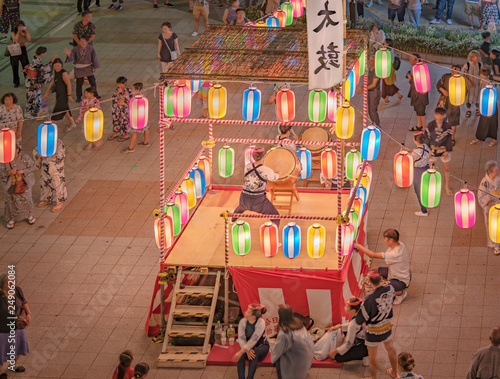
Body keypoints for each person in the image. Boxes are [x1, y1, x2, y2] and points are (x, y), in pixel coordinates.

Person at [354, 270, 398, 379]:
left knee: (372, 356)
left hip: (373, 331)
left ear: (369, 281)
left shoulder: (369, 299)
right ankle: (394, 372)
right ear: (381, 279)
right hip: (386, 325)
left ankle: (374, 378)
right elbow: (393, 299)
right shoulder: (391, 289)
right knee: (390, 348)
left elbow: (360, 319)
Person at [355, 228, 410, 303]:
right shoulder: (400, 244)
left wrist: (358, 246)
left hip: (401, 280)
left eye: (385, 239)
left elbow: (373, 255)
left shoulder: (394, 254)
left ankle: (400, 293)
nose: (384, 240)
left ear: (391, 240)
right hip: (395, 272)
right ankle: (390, 285)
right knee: (376, 270)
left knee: (380, 289)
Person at [232, 147, 281, 226]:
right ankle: (274, 235)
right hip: (259, 202)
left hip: (244, 198)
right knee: (276, 216)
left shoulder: (247, 166)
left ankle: (232, 219)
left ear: (253, 157)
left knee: (241, 207)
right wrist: (278, 174)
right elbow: (274, 178)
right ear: (263, 156)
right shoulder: (266, 170)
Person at [270, 305, 314, 379]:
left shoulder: (285, 332)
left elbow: (277, 350)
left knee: (278, 361)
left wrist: (271, 350)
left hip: (295, 359)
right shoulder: (298, 323)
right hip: (307, 355)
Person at [0, 273, 31, 374]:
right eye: (9, 282)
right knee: (1, 348)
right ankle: (0, 370)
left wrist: (28, 313)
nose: (11, 284)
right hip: (3, 328)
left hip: (17, 326)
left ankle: (13, 364)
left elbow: (23, 302)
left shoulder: (17, 290)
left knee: (19, 345)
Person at [0, 146, 35, 229]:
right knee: (11, 201)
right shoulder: (4, 160)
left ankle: (29, 215)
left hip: (23, 182)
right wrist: (9, 172)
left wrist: (23, 171)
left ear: (17, 149)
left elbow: (33, 166)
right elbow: (1, 173)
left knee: (27, 199)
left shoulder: (24, 157)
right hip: (11, 183)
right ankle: (12, 219)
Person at [232, 304, 269, 379]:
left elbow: (254, 339)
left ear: (253, 317)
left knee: (253, 353)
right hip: (247, 347)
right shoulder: (243, 321)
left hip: (261, 347)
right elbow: (241, 338)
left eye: (248, 312)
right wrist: (246, 350)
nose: (245, 312)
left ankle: (250, 377)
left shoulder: (261, 322)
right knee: (241, 355)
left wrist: (244, 350)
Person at [327, 297, 368, 364]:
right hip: (368, 340)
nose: (344, 307)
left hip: (364, 346)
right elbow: (351, 326)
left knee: (338, 357)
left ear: (353, 310)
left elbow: (348, 344)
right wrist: (338, 326)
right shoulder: (361, 314)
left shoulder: (353, 324)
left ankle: (364, 355)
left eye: (346, 307)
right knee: (345, 330)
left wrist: (335, 351)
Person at [33, 139, 67, 213]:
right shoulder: (43, 140)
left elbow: (61, 155)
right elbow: (36, 150)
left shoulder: (58, 143)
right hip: (45, 164)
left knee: (58, 183)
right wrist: (39, 155)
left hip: (55, 167)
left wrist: (48, 156)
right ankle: (47, 198)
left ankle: (60, 202)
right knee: (45, 182)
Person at [424, 107, 453, 195]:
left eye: (440, 115)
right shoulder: (430, 125)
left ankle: (446, 186)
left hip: (444, 150)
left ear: (444, 116)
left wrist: (447, 151)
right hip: (433, 150)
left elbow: (449, 139)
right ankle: (431, 185)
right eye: (437, 115)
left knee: (446, 169)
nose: (438, 117)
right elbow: (427, 138)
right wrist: (428, 149)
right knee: (431, 168)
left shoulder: (447, 126)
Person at [44, 58, 77, 131]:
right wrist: (47, 92)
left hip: (63, 95)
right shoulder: (56, 72)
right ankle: (73, 124)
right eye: (55, 66)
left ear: (61, 65)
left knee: (58, 110)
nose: (57, 67)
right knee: (65, 109)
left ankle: (51, 126)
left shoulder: (63, 73)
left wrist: (69, 96)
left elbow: (68, 84)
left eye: (58, 65)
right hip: (59, 94)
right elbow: (53, 81)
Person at [64, 38, 100, 103]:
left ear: (86, 42)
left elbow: (94, 57)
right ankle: (78, 97)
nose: (82, 43)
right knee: (79, 83)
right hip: (79, 68)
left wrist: (95, 67)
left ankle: (95, 94)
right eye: (81, 41)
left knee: (93, 82)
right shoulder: (76, 49)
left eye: (84, 41)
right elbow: (72, 58)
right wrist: (69, 54)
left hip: (88, 67)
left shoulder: (91, 48)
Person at [436, 64, 463, 145]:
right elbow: (438, 85)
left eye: (457, 70)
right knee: (441, 120)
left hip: (454, 103)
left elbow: (465, 92)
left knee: (453, 122)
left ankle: (452, 138)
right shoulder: (445, 76)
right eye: (453, 70)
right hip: (444, 101)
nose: (455, 72)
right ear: (451, 70)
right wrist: (443, 90)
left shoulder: (461, 80)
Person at [470, 69, 498, 146]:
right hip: (484, 103)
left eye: (483, 75)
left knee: (492, 122)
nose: (481, 76)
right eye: (481, 74)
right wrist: (479, 106)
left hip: (491, 105)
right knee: (482, 121)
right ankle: (479, 137)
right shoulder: (481, 82)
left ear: (487, 76)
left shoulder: (491, 84)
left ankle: (494, 139)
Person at [25, 47, 55, 117]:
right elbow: (44, 69)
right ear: (42, 53)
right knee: (31, 96)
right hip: (32, 81)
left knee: (37, 96)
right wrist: (51, 62)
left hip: (34, 80)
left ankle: (37, 110)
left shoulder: (36, 58)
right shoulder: (36, 61)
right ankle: (27, 112)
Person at [478, 161, 500, 255]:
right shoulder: (485, 182)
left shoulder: (498, 178)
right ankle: (495, 244)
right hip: (490, 206)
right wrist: (488, 203)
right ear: (490, 172)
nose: (498, 171)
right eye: (496, 170)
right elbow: (481, 196)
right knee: (492, 225)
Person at [122, 83, 150, 154]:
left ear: (137, 90)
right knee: (146, 129)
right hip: (143, 117)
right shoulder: (144, 99)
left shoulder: (134, 100)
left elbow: (131, 107)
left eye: (133, 89)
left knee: (134, 132)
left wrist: (125, 101)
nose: (132, 90)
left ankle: (130, 148)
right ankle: (146, 142)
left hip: (136, 119)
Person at [410, 132, 430, 217]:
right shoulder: (426, 146)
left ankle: (424, 211)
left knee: (418, 191)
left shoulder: (414, 154)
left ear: (415, 140)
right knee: (425, 187)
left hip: (418, 172)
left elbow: (409, 160)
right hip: (426, 168)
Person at [356, 55, 380, 126]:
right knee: (370, 110)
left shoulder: (376, 71)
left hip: (374, 92)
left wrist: (363, 89)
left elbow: (373, 84)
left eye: (371, 61)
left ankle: (377, 125)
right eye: (369, 60)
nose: (369, 62)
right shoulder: (369, 69)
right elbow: (367, 80)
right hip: (370, 92)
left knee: (372, 110)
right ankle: (374, 123)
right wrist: (362, 87)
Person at [407, 53, 429, 132]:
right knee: (417, 109)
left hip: (421, 94)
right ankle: (419, 124)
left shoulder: (421, 68)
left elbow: (419, 82)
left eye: (411, 59)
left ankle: (424, 127)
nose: (409, 60)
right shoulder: (415, 68)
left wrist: (410, 78)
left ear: (417, 60)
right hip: (415, 93)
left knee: (421, 110)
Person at [76, 87, 101, 151]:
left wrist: (88, 111)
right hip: (86, 119)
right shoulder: (84, 101)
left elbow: (98, 110)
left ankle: (97, 142)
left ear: (92, 94)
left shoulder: (96, 101)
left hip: (93, 120)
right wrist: (84, 112)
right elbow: (82, 109)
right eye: (85, 93)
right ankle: (91, 142)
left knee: (94, 131)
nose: (86, 95)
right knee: (88, 131)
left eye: (87, 93)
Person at [381, 38, 404, 105]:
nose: (383, 42)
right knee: (387, 83)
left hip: (388, 69)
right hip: (389, 68)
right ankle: (386, 99)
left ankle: (399, 96)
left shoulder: (388, 52)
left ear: (387, 44)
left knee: (388, 84)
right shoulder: (390, 49)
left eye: (384, 41)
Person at [109, 76, 132, 141]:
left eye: (120, 84)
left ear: (125, 83)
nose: (119, 85)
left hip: (124, 109)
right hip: (117, 108)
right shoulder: (117, 89)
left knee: (124, 121)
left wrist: (126, 98)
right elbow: (114, 98)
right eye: (118, 84)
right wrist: (117, 93)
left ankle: (125, 134)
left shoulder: (128, 91)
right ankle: (116, 132)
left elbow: (131, 101)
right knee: (116, 120)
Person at [10, 20, 30, 88]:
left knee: (26, 66)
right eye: (19, 26)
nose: (21, 27)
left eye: (22, 26)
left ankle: (27, 80)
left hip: (23, 49)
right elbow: (15, 40)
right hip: (15, 49)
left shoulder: (24, 32)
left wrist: (27, 32)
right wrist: (18, 32)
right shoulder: (13, 32)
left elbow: (29, 39)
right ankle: (16, 82)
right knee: (15, 66)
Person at [463, 50, 482, 118]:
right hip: (469, 84)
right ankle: (468, 110)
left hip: (477, 84)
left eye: (478, 56)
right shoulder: (467, 65)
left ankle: (477, 109)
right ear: (471, 58)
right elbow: (464, 74)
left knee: (477, 96)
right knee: (468, 96)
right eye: (476, 56)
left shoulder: (479, 65)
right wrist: (468, 81)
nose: (478, 58)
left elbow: (481, 74)